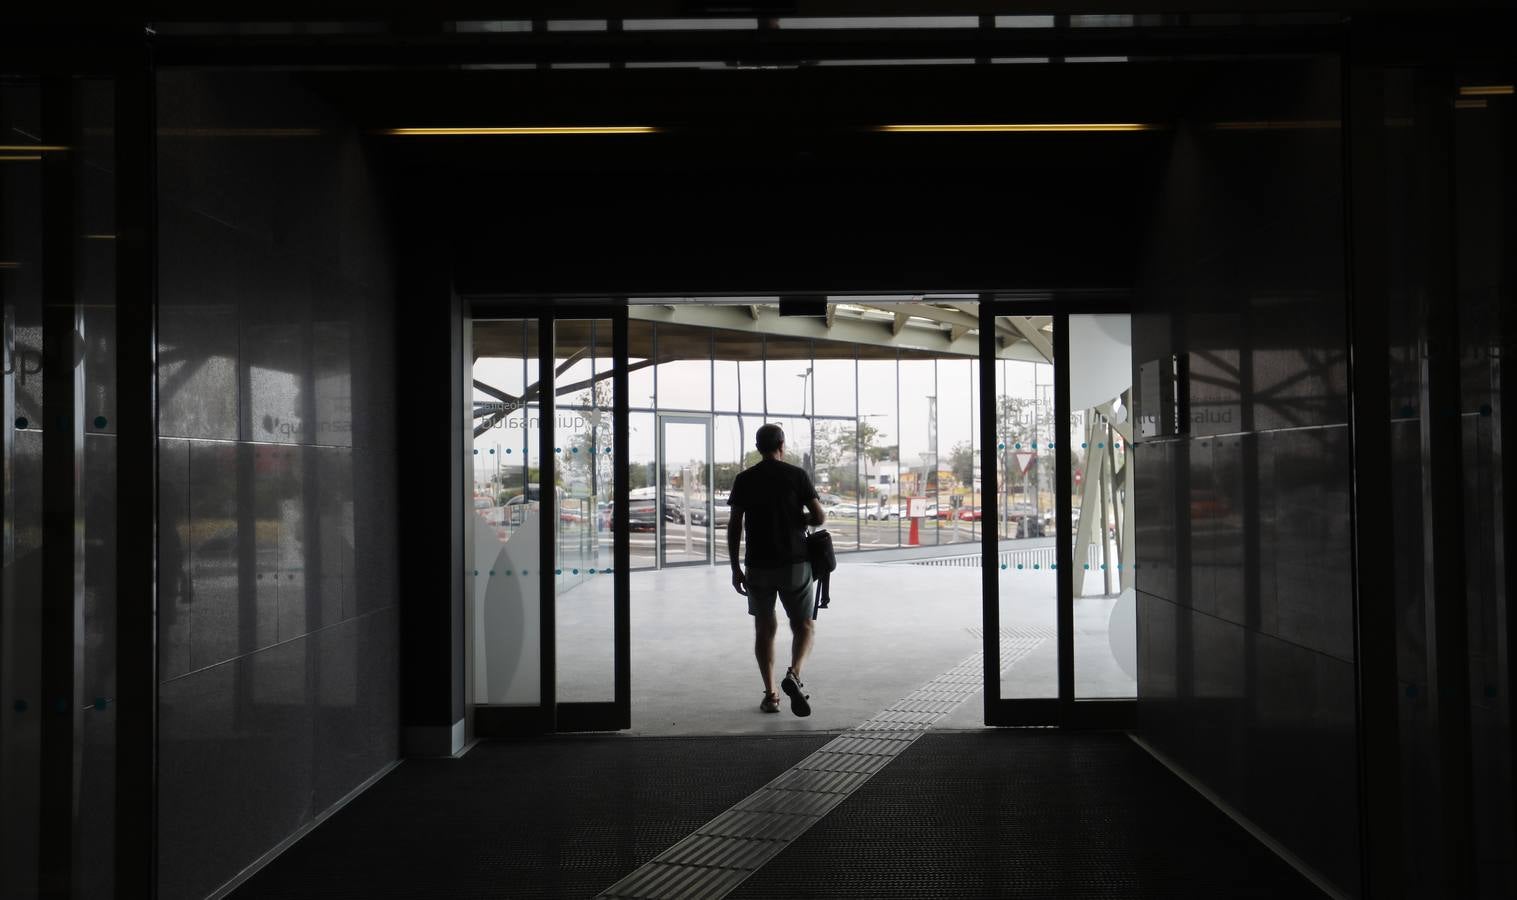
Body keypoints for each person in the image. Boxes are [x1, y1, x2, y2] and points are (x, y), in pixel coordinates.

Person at [727, 423, 827, 716]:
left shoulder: (744, 479)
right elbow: (819, 516)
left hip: (758, 566)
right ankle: (794, 673)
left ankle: (771, 696)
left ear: (758, 447)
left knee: (764, 629)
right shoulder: (796, 475)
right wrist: (797, 518)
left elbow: (735, 526)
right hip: (795, 564)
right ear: (782, 445)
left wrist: (735, 567)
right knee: (804, 625)